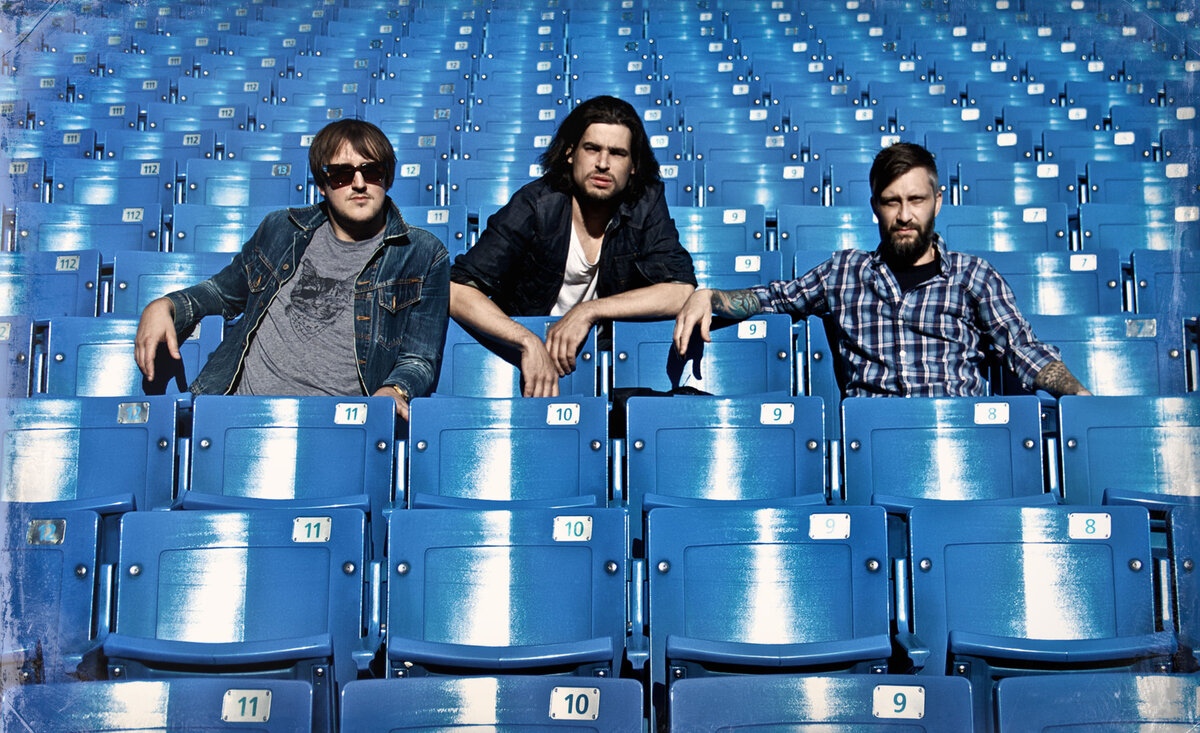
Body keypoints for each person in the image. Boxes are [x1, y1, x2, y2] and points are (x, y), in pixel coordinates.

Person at [674, 142, 1092, 398]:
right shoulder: (845, 272)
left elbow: (1023, 349)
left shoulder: (974, 276)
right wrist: (708, 296)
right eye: (892, 201)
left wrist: (1076, 391)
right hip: (877, 437)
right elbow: (775, 298)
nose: (905, 215)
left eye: (916, 200)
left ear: (938, 201)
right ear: (875, 205)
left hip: (960, 432)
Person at [134, 118, 450, 419]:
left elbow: (419, 356)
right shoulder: (280, 229)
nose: (358, 183)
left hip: (337, 424)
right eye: (341, 174)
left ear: (388, 178)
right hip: (239, 410)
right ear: (323, 185)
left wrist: (395, 389)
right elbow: (222, 292)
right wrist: (167, 304)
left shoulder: (423, 253)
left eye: (372, 172)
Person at [449, 95, 697, 397]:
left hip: (605, 365)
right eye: (592, 149)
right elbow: (457, 289)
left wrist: (588, 311)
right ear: (570, 153)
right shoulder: (535, 205)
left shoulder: (646, 202)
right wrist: (526, 340)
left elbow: (679, 290)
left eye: (617, 153)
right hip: (525, 363)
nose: (603, 164)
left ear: (633, 166)